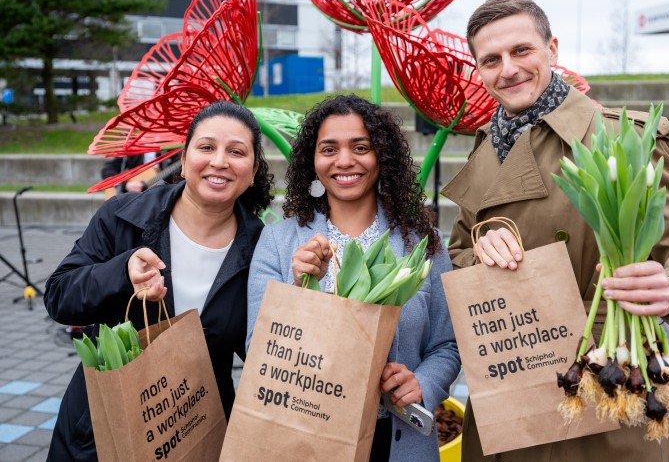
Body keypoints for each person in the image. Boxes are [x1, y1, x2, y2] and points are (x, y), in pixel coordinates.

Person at [442, 0, 669, 462]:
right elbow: (459, 249)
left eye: (522, 51)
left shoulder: (618, 138)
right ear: (478, 69)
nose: (508, 69)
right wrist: (481, 246)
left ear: (553, 50)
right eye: (491, 59)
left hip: (601, 384)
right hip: (508, 382)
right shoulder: (485, 146)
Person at [44, 101, 274, 461]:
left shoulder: (263, 247)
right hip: (103, 424)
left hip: (197, 428)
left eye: (236, 152)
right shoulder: (121, 217)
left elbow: (264, 353)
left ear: (253, 170)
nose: (219, 162)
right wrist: (121, 272)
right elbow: (59, 296)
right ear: (183, 159)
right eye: (206, 147)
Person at [247, 94, 460, 462]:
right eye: (329, 149)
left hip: (398, 440)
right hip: (306, 439)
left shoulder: (423, 242)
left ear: (382, 157)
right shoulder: (279, 242)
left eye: (360, 147)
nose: (344, 160)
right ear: (313, 162)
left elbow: (448, 345)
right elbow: (257, 352)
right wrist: (299, 289)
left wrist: (421, 384)